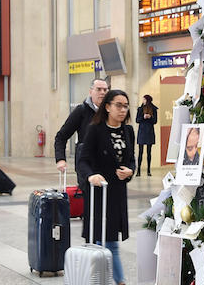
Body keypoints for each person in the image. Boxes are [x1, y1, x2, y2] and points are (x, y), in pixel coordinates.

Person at [77, 89, 135, 285]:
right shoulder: (95, 129)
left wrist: (130, 171)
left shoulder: (128, 131)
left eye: (126, 106)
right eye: (118, 105)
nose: (123, 110)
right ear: (108, 106)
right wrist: (91, 175)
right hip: (98, 192)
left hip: (117, 193)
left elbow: (132, 160)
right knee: (103, 242)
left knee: (109, 242)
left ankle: (111, 280)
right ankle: (116, 281)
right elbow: (83, 160)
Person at [54, 79, 108, 177]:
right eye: (99, 89)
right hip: (86, 166)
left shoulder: (111, 112)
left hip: (106, 166)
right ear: (91, 92)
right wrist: (60, 159)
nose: (102, 93)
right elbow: (61, 136)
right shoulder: (81, 111)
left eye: (105, 90)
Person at [135, 95, 157, 177]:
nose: (143, 100)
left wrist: (150, 117)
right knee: (140, 152)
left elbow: (155, 121)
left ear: (147, 100)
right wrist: (143, 117)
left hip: (149, 132)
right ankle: (139, 170)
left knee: (149, 152)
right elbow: (137, 120)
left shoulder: (154, 109)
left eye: (144, 99)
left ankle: (148, 170)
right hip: (142, 131)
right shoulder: (140, 109)